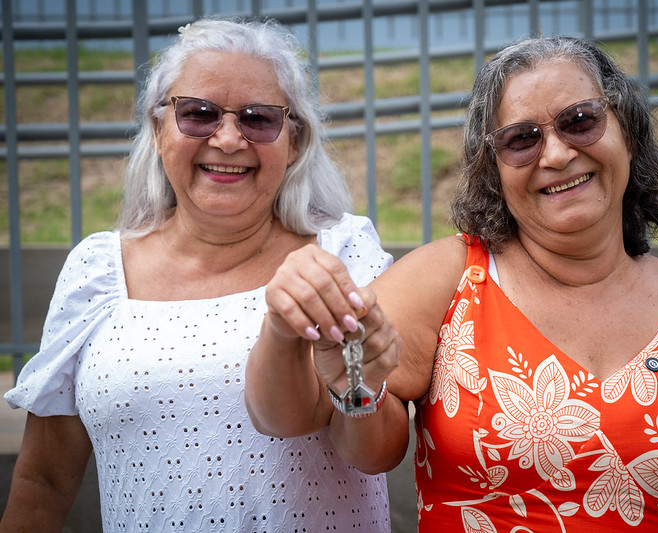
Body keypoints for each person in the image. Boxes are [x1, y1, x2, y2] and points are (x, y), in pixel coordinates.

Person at [245, 35, 658, 531]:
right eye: (521, 139)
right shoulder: (451, 279)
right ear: (492, 169)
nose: (556, 154)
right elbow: (358, 440)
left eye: (579, 120)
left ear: (628, 133)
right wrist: (353, 385)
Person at [1, 17, 396, 532]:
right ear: (158, 128)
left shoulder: (341, 254)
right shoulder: (96, 271)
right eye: (198, 114)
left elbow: (380, 450)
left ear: (294, 142)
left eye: (259, 119)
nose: (228, 139)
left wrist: (358, 390)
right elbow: (44, 482)